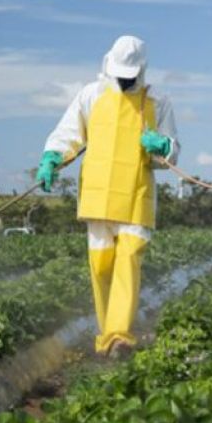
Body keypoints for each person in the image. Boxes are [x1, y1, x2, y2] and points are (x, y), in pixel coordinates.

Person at [35, 35, 179, 357]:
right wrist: (51, 159)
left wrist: (163, 147)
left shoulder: (157, 102)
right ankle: (106, 337)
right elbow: (69, 133)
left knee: (128, 260)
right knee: (101, 267)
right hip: (98, 197)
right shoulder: (91, 95)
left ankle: (119, 337)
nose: (125, 80)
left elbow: (172, 152)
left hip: (135, 195)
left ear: (141, 70)